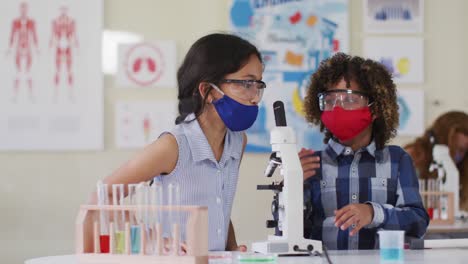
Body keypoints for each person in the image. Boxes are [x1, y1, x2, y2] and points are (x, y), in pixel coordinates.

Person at [85, 33, 266, 252]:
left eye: (258, 84)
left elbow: (219, 205)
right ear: (208, 91)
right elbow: (105, 193)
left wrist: (232, 249)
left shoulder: (237, 141)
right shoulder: (173, 145)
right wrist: (152, 240)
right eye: (246, 83)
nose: (255, 96)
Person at [299, 52, 429, 250]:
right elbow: (287, 234)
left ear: (375, 109)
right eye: (330, 100)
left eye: (349, 99)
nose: (337, 108)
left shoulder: (397, 160)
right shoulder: (311, 164)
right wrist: (290, 187)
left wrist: (374, 213)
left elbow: (418, 222)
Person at [404, 111, 468, 210]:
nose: (456, 155)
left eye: (462, 150)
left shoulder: (460, 170)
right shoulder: (409, 158)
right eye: (452, 149)